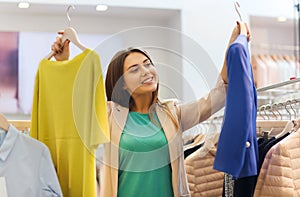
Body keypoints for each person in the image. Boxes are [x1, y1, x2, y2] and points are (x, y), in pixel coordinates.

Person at [51, 21, 250, 197]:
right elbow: (70, 107)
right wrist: (63, 63)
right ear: (122, 84)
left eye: (148, 64)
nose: (146, 72)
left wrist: (232, 45)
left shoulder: (173, 112)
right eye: (134, 69)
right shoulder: (109, 113)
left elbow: (218, 95)